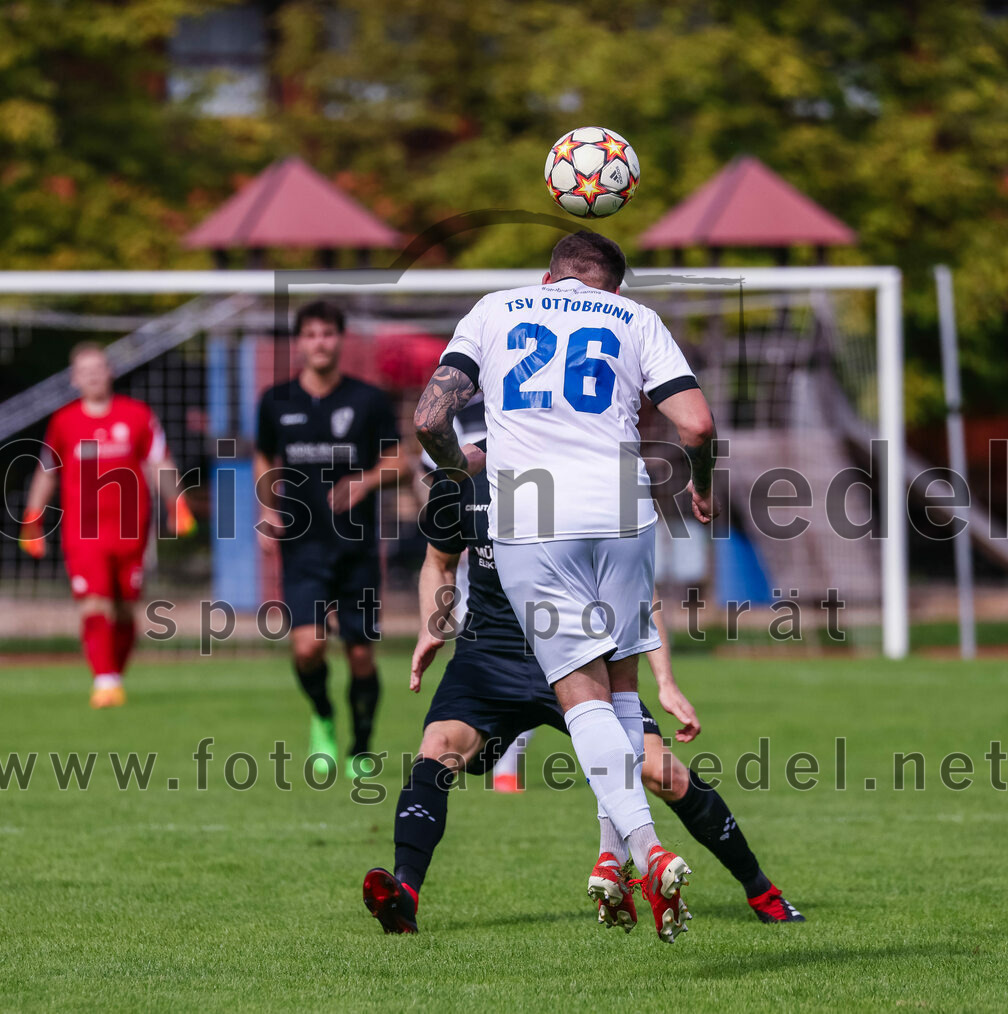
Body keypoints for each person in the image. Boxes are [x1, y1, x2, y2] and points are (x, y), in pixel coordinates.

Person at [414, 231, 717, 941]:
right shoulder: (634, 319)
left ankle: (647, 851)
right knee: (619, 699)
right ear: (613, 287)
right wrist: (701, 488)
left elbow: (430, 417)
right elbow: (697, 424)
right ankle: (613, 859)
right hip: (621, 509)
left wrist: (459, 476)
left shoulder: (494, 308)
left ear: (546, 278)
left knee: (577, 697)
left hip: (532, 514)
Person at [362, 448, 803, 935]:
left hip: (578, 653)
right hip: (489, 655)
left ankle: (762, 889)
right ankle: (403, 894)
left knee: (662, 772)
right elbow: (438, 563)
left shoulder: (592, 481)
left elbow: (636, 589)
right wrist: (435, 623)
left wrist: (665, 680)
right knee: (437, 749)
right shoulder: (465, 482)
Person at [256, 300, 410, 779]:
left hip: (358, 546)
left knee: (360, 652)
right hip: (302, 545)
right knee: (307, 647)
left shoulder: (367, 400)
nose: (319, 342)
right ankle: (322, 716)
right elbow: (264, 456)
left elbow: (401, 461)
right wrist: (266, 505)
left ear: (340, 340)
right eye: (311, 334)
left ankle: (360, 744)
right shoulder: (276, 401)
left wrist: (366, 481)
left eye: (328, 334)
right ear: (299, 342)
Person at [21, 342, 195, 708]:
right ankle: (104, 680)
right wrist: (33, 517)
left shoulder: (136, 415)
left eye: (98, 368)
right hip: (84, 532)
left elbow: (159, 461)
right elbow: (47, 471)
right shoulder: (64, 422)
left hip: (131, 529)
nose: (93, 376)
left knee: (125, 608)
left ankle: (113, 672)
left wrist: (176, 502)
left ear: (110, 371)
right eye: (85, 371)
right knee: (94, 602)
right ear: (74, 379)